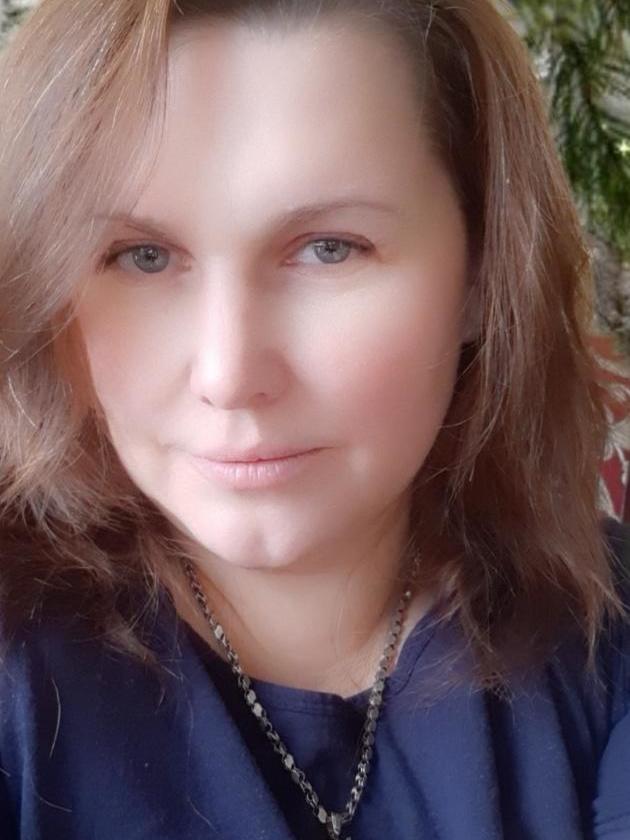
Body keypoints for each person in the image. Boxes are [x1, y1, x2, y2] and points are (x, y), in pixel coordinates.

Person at [0, 0, 628, 837]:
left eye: (330, 247)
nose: (229, 376)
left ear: (483, 273)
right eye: (140, 257)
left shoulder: (602, 631)